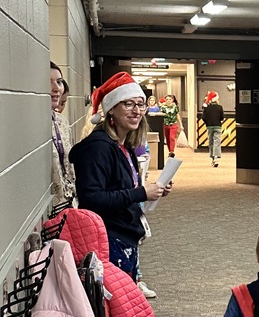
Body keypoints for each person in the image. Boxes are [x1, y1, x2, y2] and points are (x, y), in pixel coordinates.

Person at [69, 72, 170, 280]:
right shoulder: (98, 147)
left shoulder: (123, 145)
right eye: (129, 104)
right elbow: (92, 198)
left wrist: (153, 190)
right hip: (108, 241)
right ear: (112, 109)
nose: (137, 111)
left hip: (125, 239)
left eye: (141, 105)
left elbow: (121, 188)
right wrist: (140, 193)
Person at [50, 62, 76, 204]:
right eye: (48, 82)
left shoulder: (62, 122)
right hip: (52, 204)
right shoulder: (32, 122)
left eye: (59, 82)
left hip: (69, 199)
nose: (56, 88)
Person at [202, 90, 224, 167]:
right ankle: (216, 158)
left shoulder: (206, 108)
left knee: (211, 142)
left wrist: (207, 123)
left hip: (209, 126)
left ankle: (212, 157)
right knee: (217, 142)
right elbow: (222, 117)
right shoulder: (220, 107)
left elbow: (203, 118)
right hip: (218, 126)